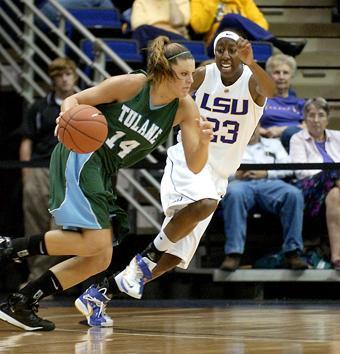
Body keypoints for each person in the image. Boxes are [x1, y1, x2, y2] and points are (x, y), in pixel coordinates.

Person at [0, 36, 213, 331]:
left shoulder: (184, 108)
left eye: (192, 73)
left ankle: (22, 301)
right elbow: (73, 100)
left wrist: (203, 142)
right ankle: (7, 247)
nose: (191, 80)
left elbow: (195, 164)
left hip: (105, 169)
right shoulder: (134, 85)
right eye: (184, 74)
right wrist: (70, 118)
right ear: (163, 73)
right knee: (98, 243)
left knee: (99, 257)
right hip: (82, 155)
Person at [75, 30, 276, 326]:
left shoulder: (252, 82)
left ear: (240, 53)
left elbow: (271, 89)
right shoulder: (203, 74)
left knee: (172, 258)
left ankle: (100, 293)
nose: (225, 56)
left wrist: (253, 63)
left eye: (231, 50)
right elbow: (165, 86)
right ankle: (142, 261)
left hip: (219, 175)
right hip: (190, 159)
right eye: (220, 49)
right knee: (205, 203)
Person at [220, 124, 308, 271]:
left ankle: (293, 252)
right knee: (233, 193)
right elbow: (216, 169)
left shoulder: (273, 144)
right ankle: (233, 254)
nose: (251, 128)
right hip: (241, 184)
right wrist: (234, 175)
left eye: (254, 125)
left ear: (259, 127)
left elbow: (288, 167)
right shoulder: (229, 144)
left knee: (293, 194)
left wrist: (266, 172)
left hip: (269, 183)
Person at [20, 57, 77, 283]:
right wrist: (26, 174)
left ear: (75, 76)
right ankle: (37, 279)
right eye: (58, 76)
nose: (63, 79)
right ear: (52, 80)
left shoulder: (84, 105)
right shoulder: (39, 107)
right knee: (34, 225)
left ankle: (38, 280)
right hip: (38, 168)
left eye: (67, 74)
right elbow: (27, 140)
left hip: (68, 170)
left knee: (60, 226)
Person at [290, 97, 340, 270]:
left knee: (336, 194)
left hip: (339, 188)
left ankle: (337, 258)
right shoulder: (297, 139)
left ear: (327, 118)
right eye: (311, 115)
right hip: (309, 191)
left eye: (321, 115)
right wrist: (330, 175)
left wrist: (336, 181)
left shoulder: (338, 136)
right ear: (305, 118)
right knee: (334, 170)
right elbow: (301, 172)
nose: (316, 120)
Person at [190, 0, 306, 57]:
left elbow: (262, 26)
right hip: (215, 48)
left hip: (244, 45)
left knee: (232, 19)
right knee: (229, 20)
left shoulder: (243, 1)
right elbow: (199, 27)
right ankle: (279, 44)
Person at [259, 54, 305, 151]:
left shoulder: (300, 103)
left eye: (285, 73)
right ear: (269, 76)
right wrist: (266, 132)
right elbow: (250, 126)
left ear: (291, 76)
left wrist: (280, 130)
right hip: (267, 142)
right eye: (277, 73)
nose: (281, 77)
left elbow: (308, 126)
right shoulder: (261, 100)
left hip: (296, 143)